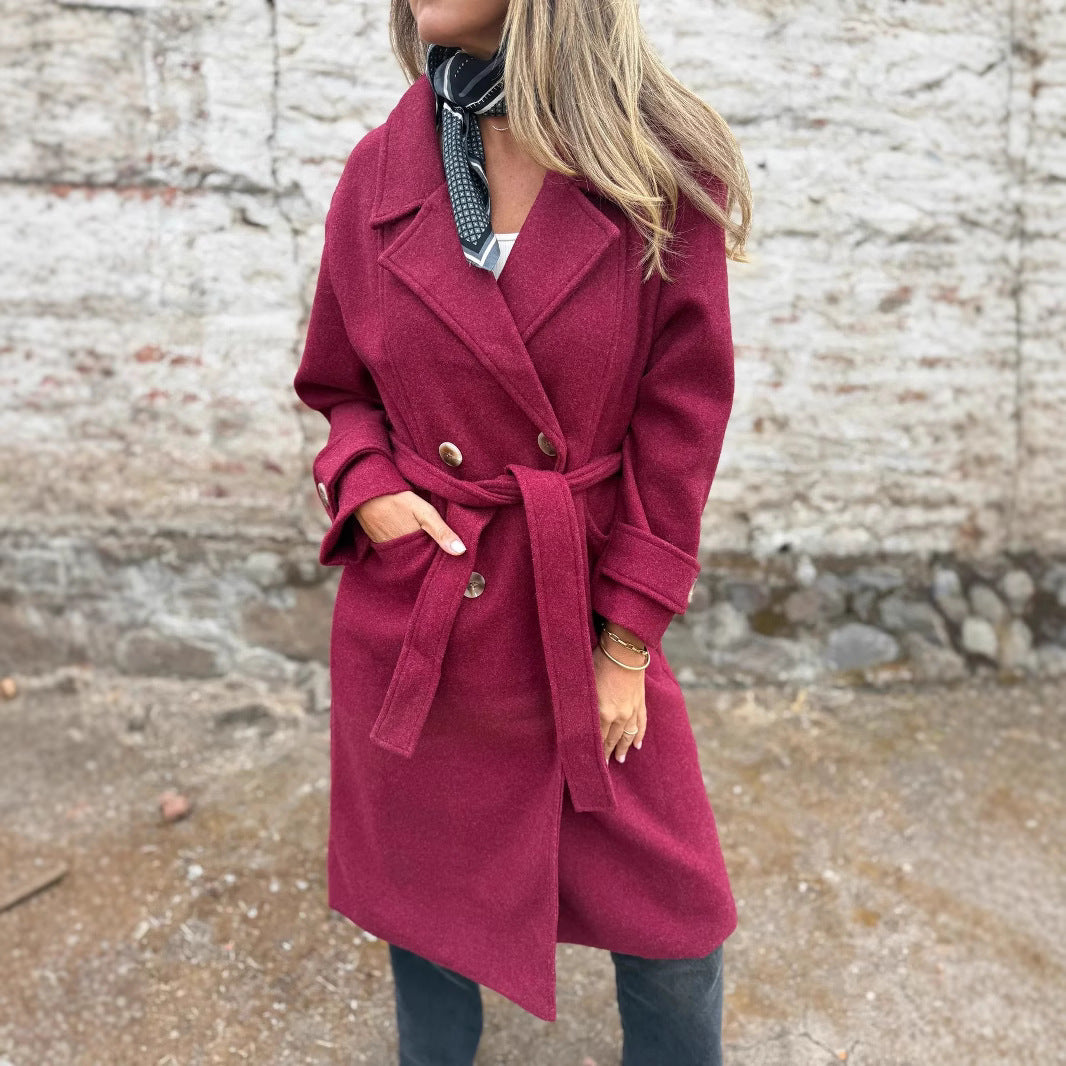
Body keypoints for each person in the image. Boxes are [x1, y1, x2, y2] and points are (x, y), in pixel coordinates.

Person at [292, 0, 752, 1062]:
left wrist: (626, 641)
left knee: (675, 917)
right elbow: (340, 389)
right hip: (426, 601)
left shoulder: (656, 170)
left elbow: (680, 428)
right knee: (426, 902)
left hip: (575, 601)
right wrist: (368, 489)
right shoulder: (382, 169)